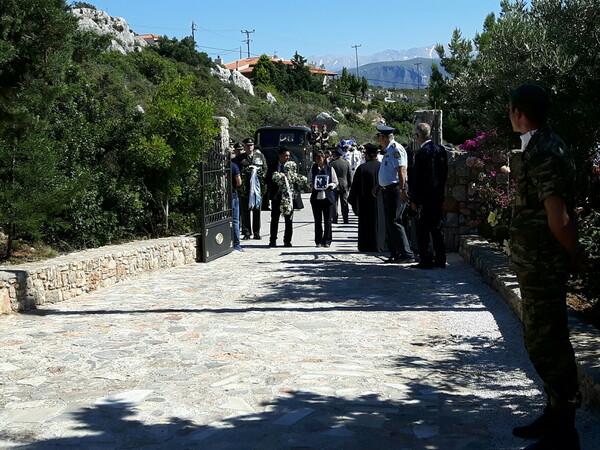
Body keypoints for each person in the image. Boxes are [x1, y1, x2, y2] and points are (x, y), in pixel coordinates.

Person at [508, 84, 589, 450]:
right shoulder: (544, 145)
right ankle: (555, 414)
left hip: (543, 262)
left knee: (545, 343)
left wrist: (576, 254)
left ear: (518, 112)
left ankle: (564, 429)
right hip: (536, 261)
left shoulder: (543, 152)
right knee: (547, 339)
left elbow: (557, 217)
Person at [372, 125, 414, 263]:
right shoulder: (388, 150)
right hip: (387, 189)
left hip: (396, 189)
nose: (378, 139)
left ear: (383, 137)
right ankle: (395, 252)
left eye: (379, 136)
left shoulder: (396, 148)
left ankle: (406, 253)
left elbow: (401, 170)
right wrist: (379, 184)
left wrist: (402, 190)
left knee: (395, 220)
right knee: (390, 221)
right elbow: (388, 171)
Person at [410, 123, 448, 269]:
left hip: (425, 197)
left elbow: (418, 178)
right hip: (438, 195)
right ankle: (440, 258)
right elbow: (444, 173)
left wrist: (415, 199)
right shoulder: (441, 149)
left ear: (418, 136)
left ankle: (426, 259)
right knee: (437, 227)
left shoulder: (421, 153)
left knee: (423, 229)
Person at [348, 143, 387, 252]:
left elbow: (354, 190)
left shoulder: (362, 169)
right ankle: (382, 245)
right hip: (381, 203)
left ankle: (367, 245)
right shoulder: (383, 167)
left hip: (365, 204)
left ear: (367, 155)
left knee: (367, 225)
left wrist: (355, 204)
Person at [233, 137, 267, 240]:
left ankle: (256, 232)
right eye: (247, 145)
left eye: (251, 145)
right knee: (245, 210)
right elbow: (236, 170)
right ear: (245, 147)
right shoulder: (240, 158)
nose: (250, 147)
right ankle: (247, 232)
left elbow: (265, 168)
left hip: (256, 188)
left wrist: (260, 177)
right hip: (245, 188)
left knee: (257, 210)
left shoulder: (260, 156)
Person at [308, 150, 338, 247]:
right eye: (316, 158)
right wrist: (311, 185)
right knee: (317, 220)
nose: (318, 160)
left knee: (327, 220)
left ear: (324, 158)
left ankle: (327, 240)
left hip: (327, 198)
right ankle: (318, 241)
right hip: (316, 198)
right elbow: (309, 181)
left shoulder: (330, 169)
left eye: (320, 158)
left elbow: (335, 182)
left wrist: (329, 185)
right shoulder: (313, 169)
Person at [268, 148, 295, 248]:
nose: (287, 158)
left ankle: (287, 240)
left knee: (289, 220)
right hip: (277, 197)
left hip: (288, 198)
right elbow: (268, 180)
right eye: (285, 155)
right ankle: (272, 240)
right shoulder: (273, 166)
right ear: (280, 156)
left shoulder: (292, 166)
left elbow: (295, 179)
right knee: (275, 219)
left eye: (288, 156)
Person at [330, 147, 352, 224]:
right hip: (344, 184)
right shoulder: (346, 163)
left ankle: (334, 218)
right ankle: (345, 219)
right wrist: (349, 185)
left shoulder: (332, 164)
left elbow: (330, 175)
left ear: (335, 154)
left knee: (334, 202)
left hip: (335, 185)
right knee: (344, 202)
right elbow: (349, 175)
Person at [230, 161, 243, 251]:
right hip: (233, 195)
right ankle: (236, 244)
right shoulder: (233, 166)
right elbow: (239, 182)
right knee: (235, 221)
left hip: (221, 196)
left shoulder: (216, 165)